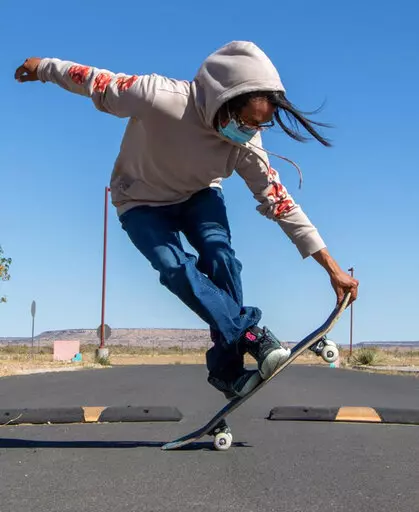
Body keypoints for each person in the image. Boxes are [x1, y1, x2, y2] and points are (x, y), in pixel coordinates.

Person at [15, 41, 359, 399]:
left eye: (259, 125)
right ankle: (250, 335)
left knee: (222, 258)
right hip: (140, 201)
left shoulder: (247, 145)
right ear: (223, 99)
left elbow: (281, 204)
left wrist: (332, 268)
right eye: (245, 120)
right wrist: (43, 68)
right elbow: (93, 80)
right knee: (175, 267)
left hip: (199, 196)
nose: (248, 130)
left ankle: (227, 371)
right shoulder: (158, 96)